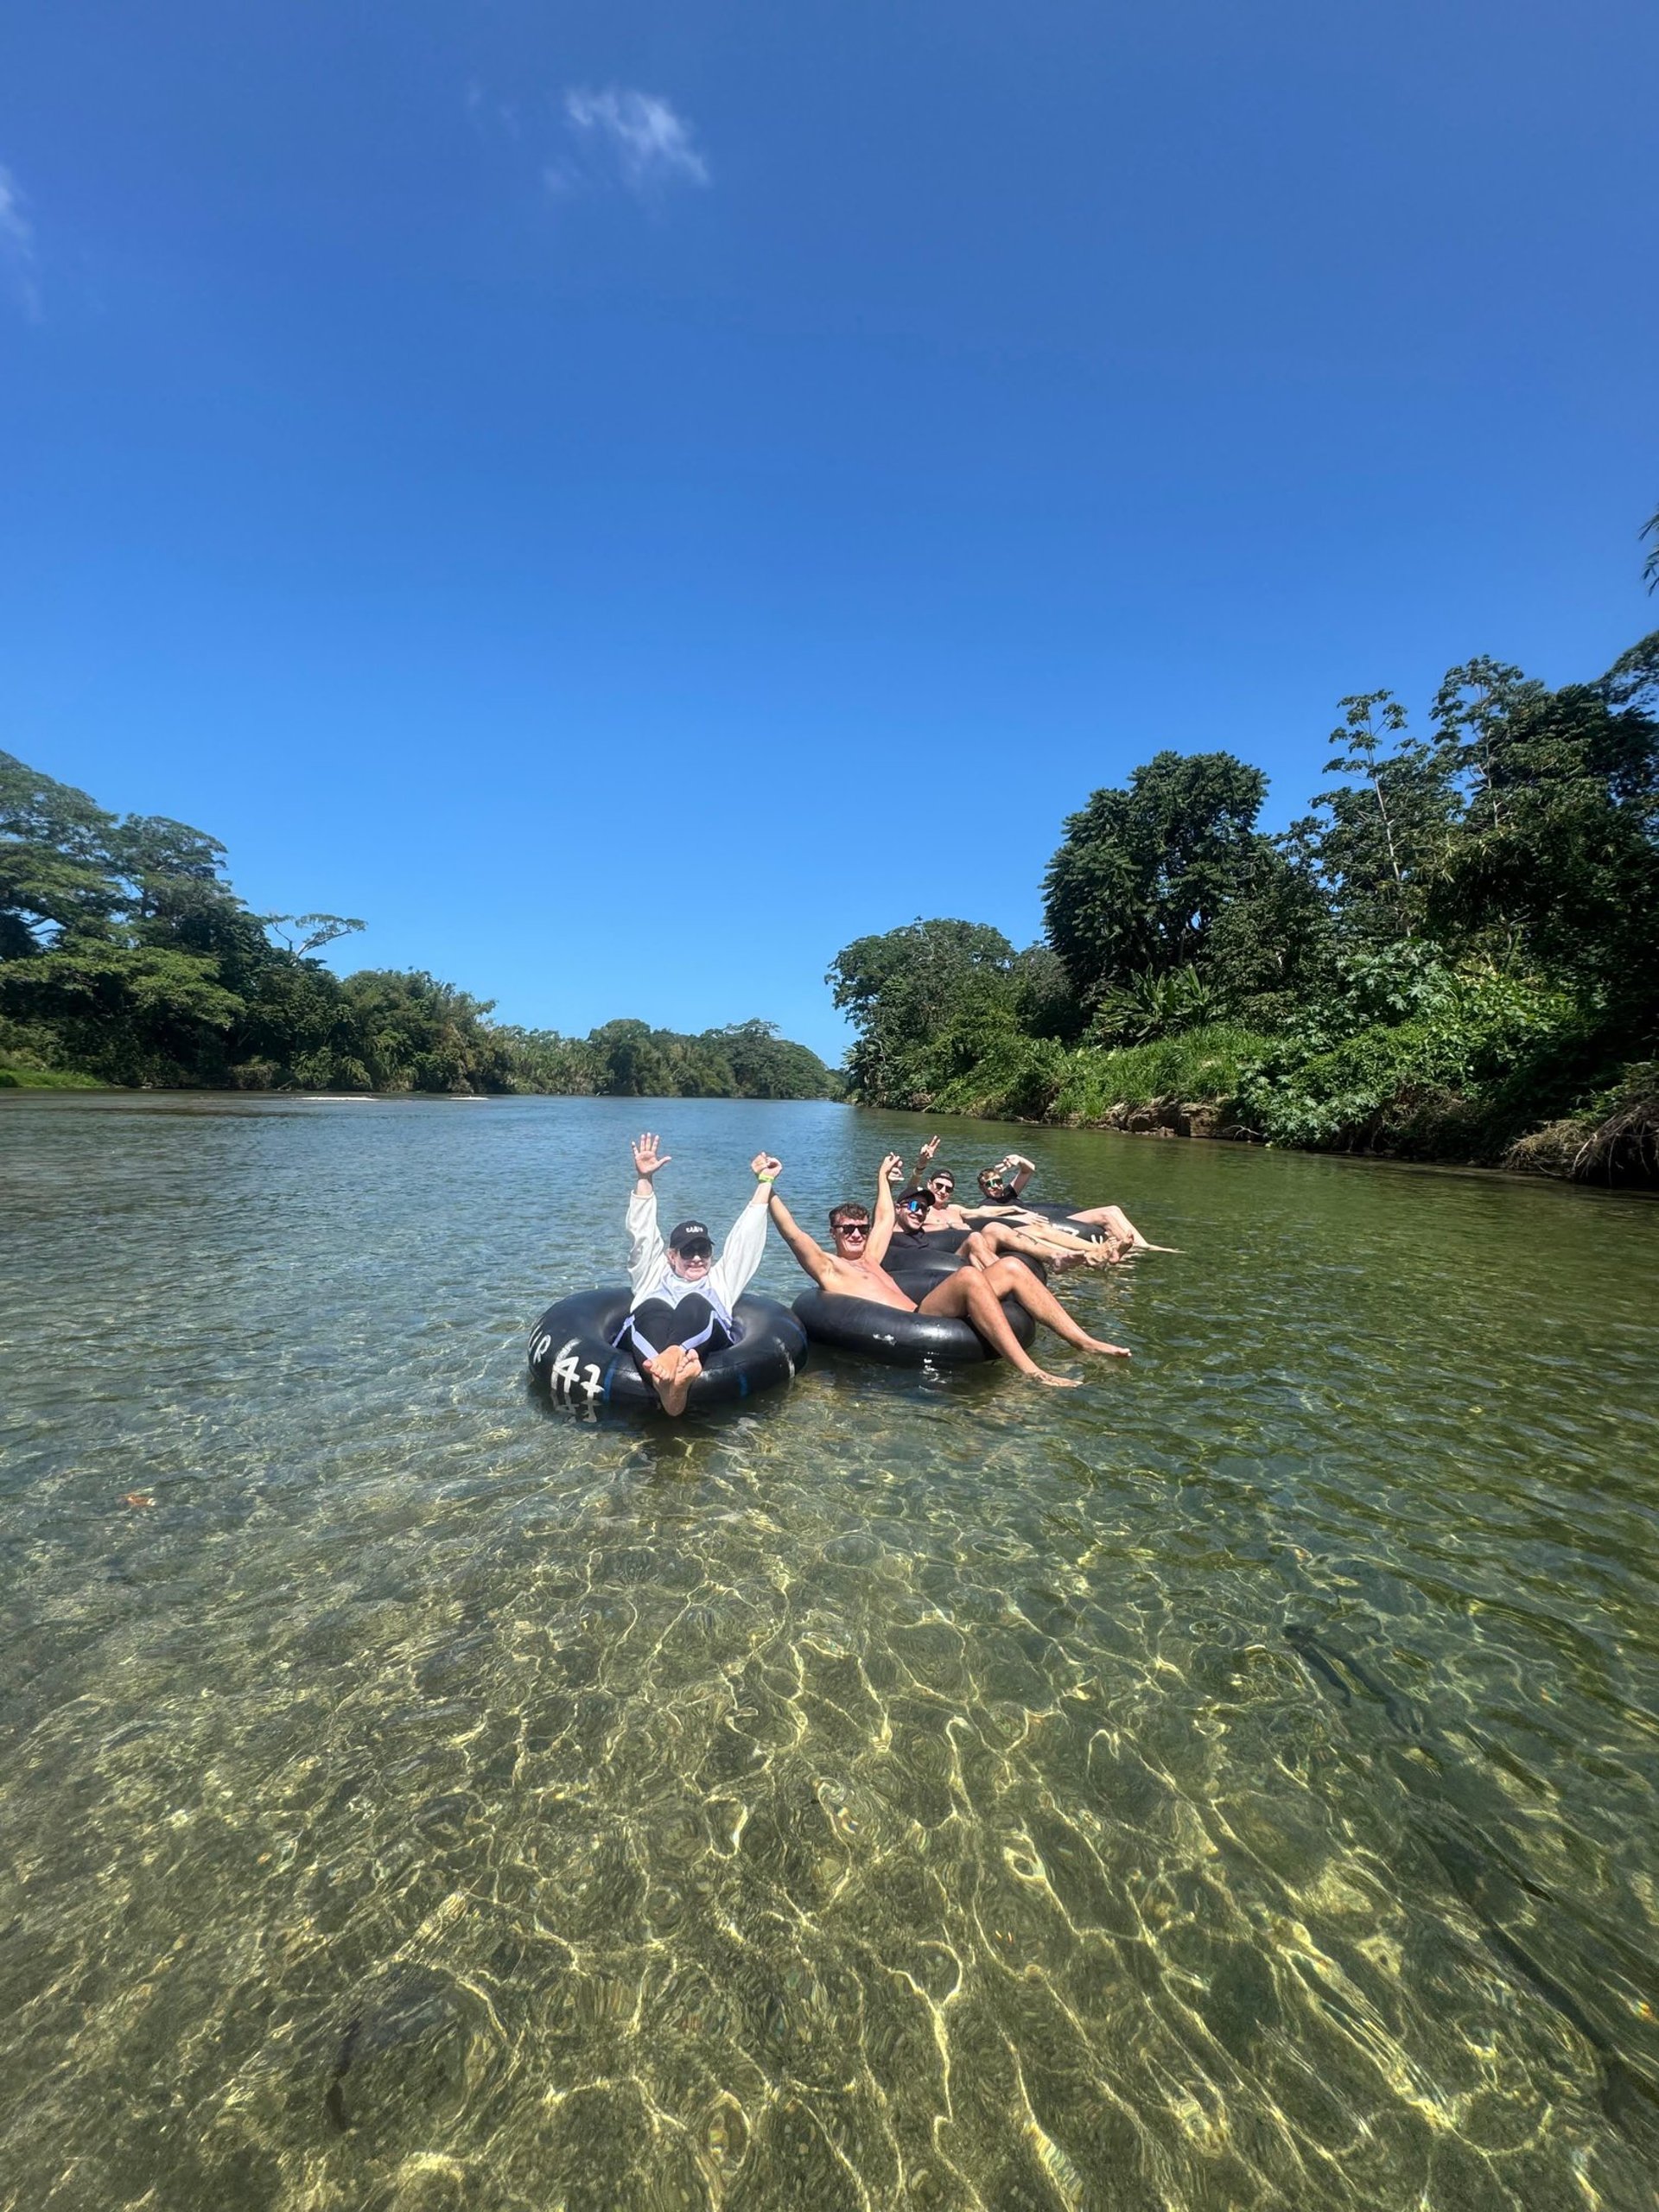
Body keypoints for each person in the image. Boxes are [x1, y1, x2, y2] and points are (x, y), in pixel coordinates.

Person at [766, 1153, 1130, 1388]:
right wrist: (768, 1186)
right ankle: (1029, 1369)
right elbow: (794, 1235)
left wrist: (882, 1177)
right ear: (834, 1233)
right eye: (849, 1230)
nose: (858, 1234)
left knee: (1014, 1267)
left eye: (860, 1228)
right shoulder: (831, 1269)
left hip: (924, 1308)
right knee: (970, 1275)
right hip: (918, 1317)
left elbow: (883, 1217)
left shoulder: (871, 1257)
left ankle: (1084, 1340)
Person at [620, 1133, 782, 1416]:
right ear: (671, 1256)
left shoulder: (720, 1280)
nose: (696, 1257)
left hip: (703, 1331)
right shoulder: (652, 1273)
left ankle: (671, 1357)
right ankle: (671, 1393)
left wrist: (764, 1183)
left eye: (703, 1250)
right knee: (651, 1305)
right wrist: (644, 1179)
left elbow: (746, 1238)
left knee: (694, 1302)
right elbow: (642, 1235)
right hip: (655, 1328)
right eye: (687, 1251)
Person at [970, 1147, 1165, 1251]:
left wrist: (1019, 1160)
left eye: (997, 1182)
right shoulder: (986, 1204)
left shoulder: (1009, 1193)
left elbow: (1029, 1170)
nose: (995, 1187)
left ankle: (1144, 1246)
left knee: (1112, 1210)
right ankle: (1133, 1250)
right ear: (982, 1188)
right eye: (990, 1184)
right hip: (1045, 1226)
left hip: (1054, 1220)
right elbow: (982, 1216)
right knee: (1106, 1218)